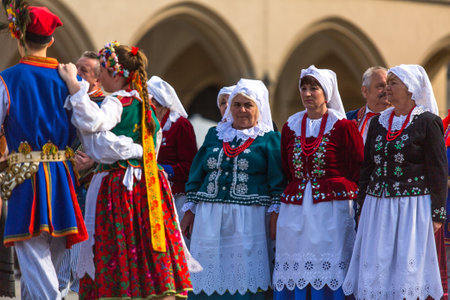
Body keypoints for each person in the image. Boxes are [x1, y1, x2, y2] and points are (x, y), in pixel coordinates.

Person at [59, 41, 192, 299]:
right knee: (149, 250)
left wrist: (75, 88)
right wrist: (133, 150)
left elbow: (94, 122)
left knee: (121, 248)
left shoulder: (118, 102)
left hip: (122, 187)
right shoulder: (146, 107)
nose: (99, 77)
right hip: (149, 186)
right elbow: (149, 146)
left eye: (104, 72)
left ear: (118, 74)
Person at [0, 3, 88, 299]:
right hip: (62, 177)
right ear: (51, 40)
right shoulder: (71, 82)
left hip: (25, 178)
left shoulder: (7, 79)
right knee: (46, 261)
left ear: (20, 36)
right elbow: (85, 127)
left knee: (35, 261)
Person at [343, 64, 446, 300]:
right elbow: (367, 166)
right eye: (386, 83)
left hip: (412, 209)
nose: (386, 88)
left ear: (410, 89)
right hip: (377, 207)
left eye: (393, 83)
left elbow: (438, 169)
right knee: (378, 265)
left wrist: (437, 214)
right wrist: (361, 206)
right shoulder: (379, 122)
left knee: (406, 269)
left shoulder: (427, 122)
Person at [181, 78, 285, 299]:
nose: (242, 110)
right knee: (206, 272)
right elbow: (198, 172)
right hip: (208, 216)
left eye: (248, 105)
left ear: (260, 108)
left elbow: (278, 181)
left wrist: (275, 215)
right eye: (237, 105)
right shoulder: (215, 134)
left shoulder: (269, 139)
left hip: (249, 218)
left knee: (243, 275)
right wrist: (190, 210)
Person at [272, 65, 363, 300]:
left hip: (332, 209)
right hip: (296, 209)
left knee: (330, 263)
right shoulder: (290, 126)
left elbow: (356, 166)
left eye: (314, 88)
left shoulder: (343, 126)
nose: (308, 93)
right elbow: (286, 166)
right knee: (296, 263)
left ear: (327, 92)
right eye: (304, 88)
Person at [57, 50, 105, 298]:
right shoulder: (62, 98)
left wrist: (92, 161)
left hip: (86, 190)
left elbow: (111, 146)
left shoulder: (104, 106)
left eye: (84, 71)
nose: (76, 74)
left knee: (75, 264)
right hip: (60, 183)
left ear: (97, 80)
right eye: (76, 68)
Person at [147, 76, 197, 223]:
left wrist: (162, 169)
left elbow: (190, 166)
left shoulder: (180, 125)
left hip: (175, 197)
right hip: (151, 193)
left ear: (159, 104)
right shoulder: (145, 124)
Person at [346, 66, 389, 143]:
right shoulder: (348, 119)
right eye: (381, 86)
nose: (387, 90)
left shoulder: (401, 119)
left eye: (389, 85)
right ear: (365, 91)